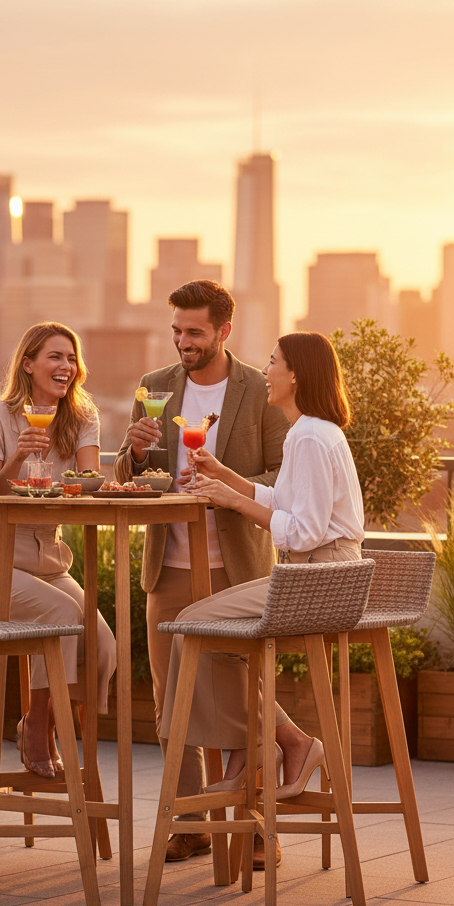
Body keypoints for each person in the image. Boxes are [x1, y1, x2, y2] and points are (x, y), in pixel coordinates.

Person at [114, 280, 288, 866]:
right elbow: (127, 475)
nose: (183, 342)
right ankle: (188, 821)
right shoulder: (155, 389)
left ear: (223, 332)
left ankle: (254, 826)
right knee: (171, 699)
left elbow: (278, 475)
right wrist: (135, 453)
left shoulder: (260, 390)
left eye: (194, 332)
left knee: (243, 693)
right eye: (177, 332)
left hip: (234, 565)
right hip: (169, 564)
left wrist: (222, 480)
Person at [160, 330, 366, 797]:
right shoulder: (309, 431)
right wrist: (225, 476)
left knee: (193, 624)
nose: (265, 371)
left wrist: (231, 500)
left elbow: (306, 531)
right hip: (320, 576)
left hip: (318, 580)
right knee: (209, 631)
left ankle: (258, 748)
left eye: (273, 362)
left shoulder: (311, 436)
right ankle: (279, 744)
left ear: (295, 374)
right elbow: (283, 499)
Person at [0, 321, 117, 778]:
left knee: (104, 644)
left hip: (49, 559)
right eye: (55, 357)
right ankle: (36, 727)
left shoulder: (83, 417)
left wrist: (104, 486)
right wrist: (17, 456)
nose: (66, 367)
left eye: (71, 359)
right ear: (28, 364)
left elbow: (86, 484)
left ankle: (47, 720)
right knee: (60, 615)